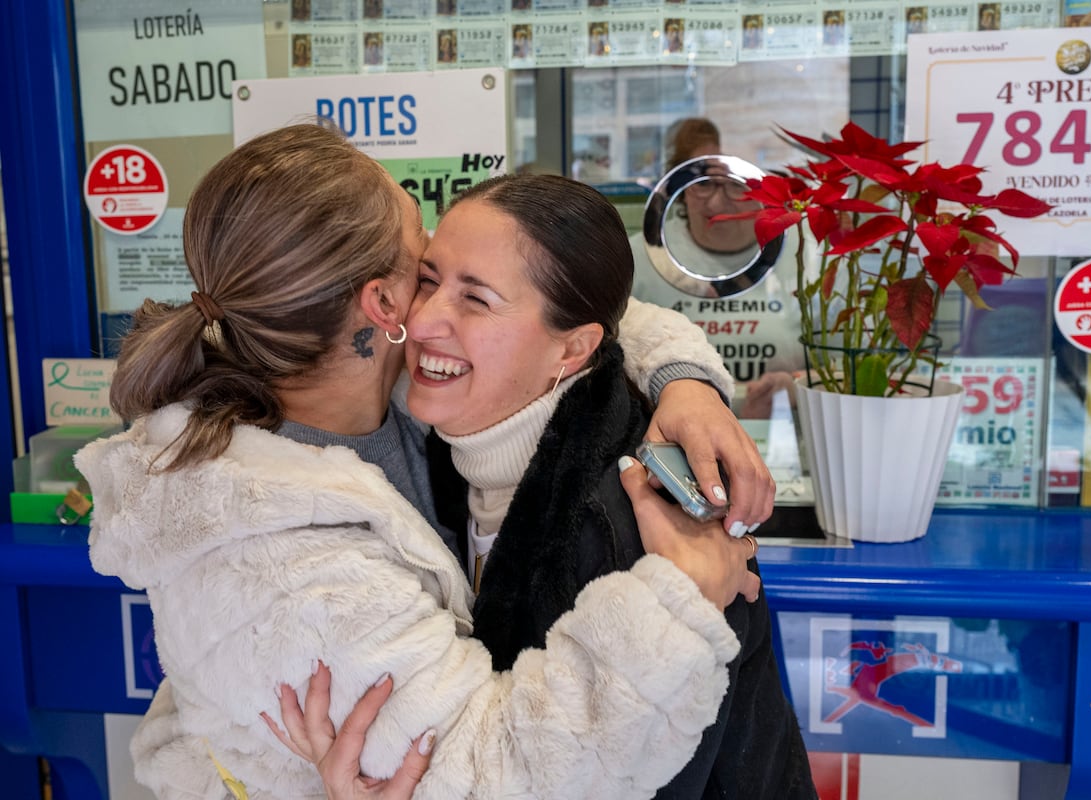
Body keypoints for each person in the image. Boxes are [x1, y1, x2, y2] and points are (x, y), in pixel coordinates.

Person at [76, 123, 773, 799]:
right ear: (384, 305)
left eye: (469, 292)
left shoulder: (387, 393)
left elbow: (566, 308)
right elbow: (508, 777)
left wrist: (686, 384)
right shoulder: (276, 560)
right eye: (426, 264)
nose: (441, 308)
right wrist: (677, 599)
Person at [277, 172, 816, 800]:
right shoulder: (442, 441)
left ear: (575, 348)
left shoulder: (643, 523)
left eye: (475, 299)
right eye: (427, 280)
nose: (422, 322)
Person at [631, 118, 804, 418]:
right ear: (681, 188)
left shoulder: (806, 255)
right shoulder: (635, 258)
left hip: (784, 436)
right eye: (705, 183)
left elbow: (844, 368)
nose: (717, 201)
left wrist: (795, 388)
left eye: (737, 184)